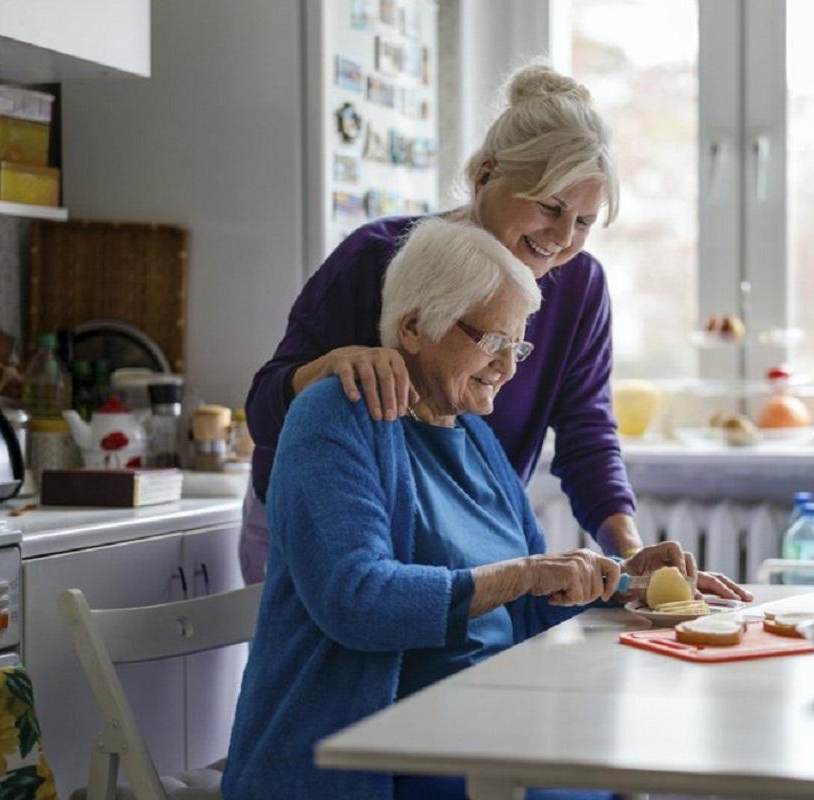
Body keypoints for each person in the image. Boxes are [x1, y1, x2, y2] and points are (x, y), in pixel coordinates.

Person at [240, 63, 750, 602]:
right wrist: (331, 365)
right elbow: (264, 411)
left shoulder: (578, 287)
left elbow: (586, 435)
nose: (562, 238)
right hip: (325, 537)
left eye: (583, 221)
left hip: (455, 547)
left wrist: (628, 555)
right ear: (485, 174)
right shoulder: (378, 257)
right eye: (550, 207)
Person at [223, 218, 690, 800]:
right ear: (415, 327)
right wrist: (521, 575)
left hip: (492, 726)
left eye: (517, 344)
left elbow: (524, 608)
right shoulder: (336, 417)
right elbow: (357, 601)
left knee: (638, 766)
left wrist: (622, 582)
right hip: (382, 752)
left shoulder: (473, 435)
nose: (508, 366)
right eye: (490, 340)